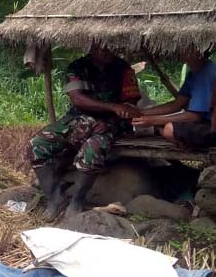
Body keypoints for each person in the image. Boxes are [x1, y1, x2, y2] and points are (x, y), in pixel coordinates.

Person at [28, 45, 142, 219]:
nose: (105, 51)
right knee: (36, 145)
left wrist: (111, 120)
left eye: (109, 48)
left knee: (92, 149)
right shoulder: (77, 67)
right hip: (78, 119)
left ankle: (77, 202)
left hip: (112, 123)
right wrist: (112, 106)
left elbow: (131, 104)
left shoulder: (124, 69)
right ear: (92, 48)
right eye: (101, 47)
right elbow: (77, 98)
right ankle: (54, 198)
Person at [132, 47, 216, 148]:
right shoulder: (193, 73)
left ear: (199, 52)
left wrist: (154, 120)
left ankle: (183, 145)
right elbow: (176, 105)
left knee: (169, 129)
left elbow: (195, 116)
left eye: (186, 48)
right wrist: (141, 113)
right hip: (207, 122)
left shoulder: (205, 74)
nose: (180, 51)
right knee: (162, 125)